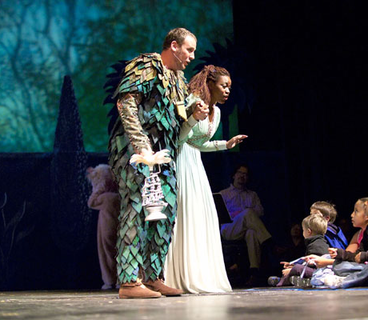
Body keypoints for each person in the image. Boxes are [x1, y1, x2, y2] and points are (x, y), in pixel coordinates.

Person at [108, 28, 209, 299]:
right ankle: (129, 281)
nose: (192, 56)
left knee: (165, 211)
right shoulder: (146, 66)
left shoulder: (177, 78)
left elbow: (172, 118)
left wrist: (192, 113)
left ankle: (152, 277)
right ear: (173, 46)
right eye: (189, 50)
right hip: (135, 151)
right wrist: (141, 145)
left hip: (164, 155)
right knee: (136, 207)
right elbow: (126, 104)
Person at [165, 65, 247, 293]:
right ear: (210, 84)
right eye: (224, 85)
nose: (228, 90)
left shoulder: (217, 112)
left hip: (195, 164)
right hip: (180, 161)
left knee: (201, 217)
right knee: (184, 215)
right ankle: (176, 277)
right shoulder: (191, 102)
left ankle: (199, 274)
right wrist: (192, 118)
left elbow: (198, 144)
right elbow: (178, 139)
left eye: (229, 86)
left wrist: (226, 144)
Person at [219, 164, 272, 284]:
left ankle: (254, 271)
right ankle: (268, 242)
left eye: (245, 174)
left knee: (252, 232)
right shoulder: (224, 194)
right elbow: (220, 214)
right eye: (240, 173)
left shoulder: (252, 195)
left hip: (247, 229)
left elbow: (260, 212)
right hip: (230, 229)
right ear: (234, 175)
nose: (242, 176)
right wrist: (242, 213)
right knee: (248, 212)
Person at [304, 197, 368, 269]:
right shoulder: (358, 234)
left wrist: (325, 261)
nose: (352, 215)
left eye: (356, 211)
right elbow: (347, 256)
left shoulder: (327, 232)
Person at [269, 212, 329, 287]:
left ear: (309, 232)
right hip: (317, 271)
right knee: (296, 268)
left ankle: (281, 282)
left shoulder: (316, 245)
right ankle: (289, 280)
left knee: (297, 268)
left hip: (321, 273)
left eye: (303, 230)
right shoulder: (316, 242)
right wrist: (293, 264)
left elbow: (316, 265)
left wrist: (292, 270)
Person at [86, 164, 119, 290]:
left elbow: (91, 202)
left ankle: (110, 280)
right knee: (117, 253)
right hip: (116, 227)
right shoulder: (117, 196)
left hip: (106, 228)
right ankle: (120, 279)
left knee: (107, 254)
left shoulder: (104, 197)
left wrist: (98, 188)